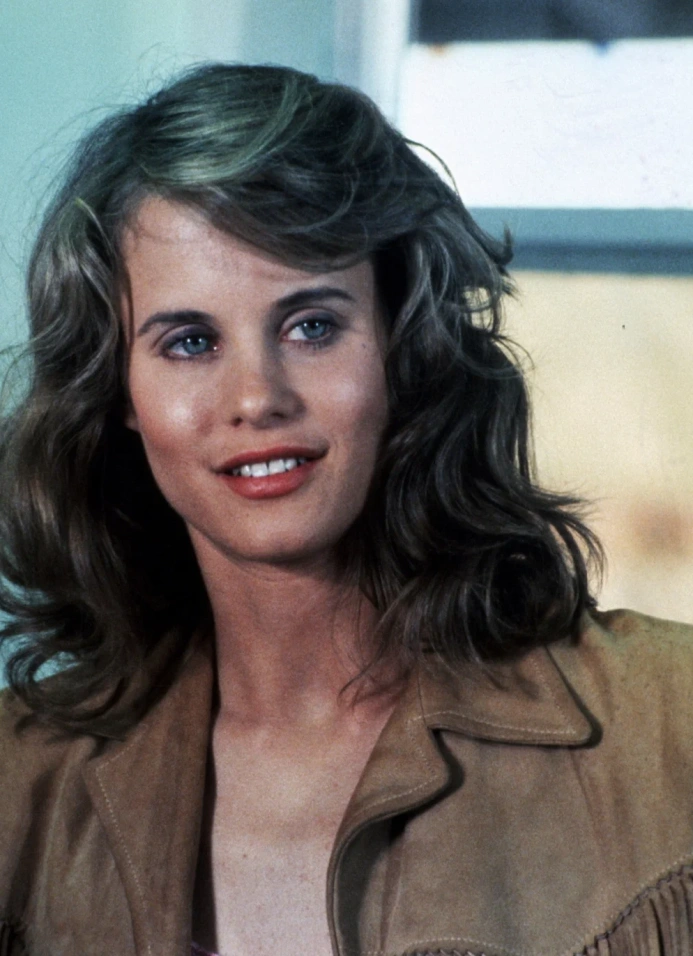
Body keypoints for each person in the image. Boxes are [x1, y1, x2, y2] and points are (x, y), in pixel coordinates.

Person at [0, 63, 692, 956]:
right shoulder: (19, 782)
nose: (257, 397)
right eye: (191, 342)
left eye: (312, 326)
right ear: (118, 391)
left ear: (404, 344)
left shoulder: (668, 725)